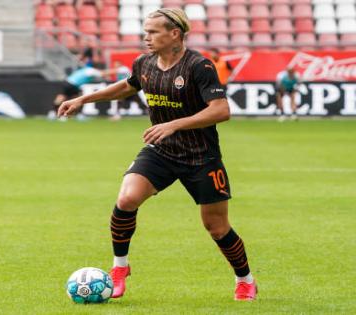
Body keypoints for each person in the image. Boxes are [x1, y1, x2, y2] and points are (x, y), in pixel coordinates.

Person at [57, 7, 257, 301]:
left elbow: (221, 110)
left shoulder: (198, 67)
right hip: (161, 151)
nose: (146, 38)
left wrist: (173, 125)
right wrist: (84, 98)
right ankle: (119, 269)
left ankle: (245, 280)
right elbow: (126, 87)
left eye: (152, 32)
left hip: (201, 156)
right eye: (145, 32)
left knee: (216, 227)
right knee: (126, 199)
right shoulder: (144, 63)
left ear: (174, 34)